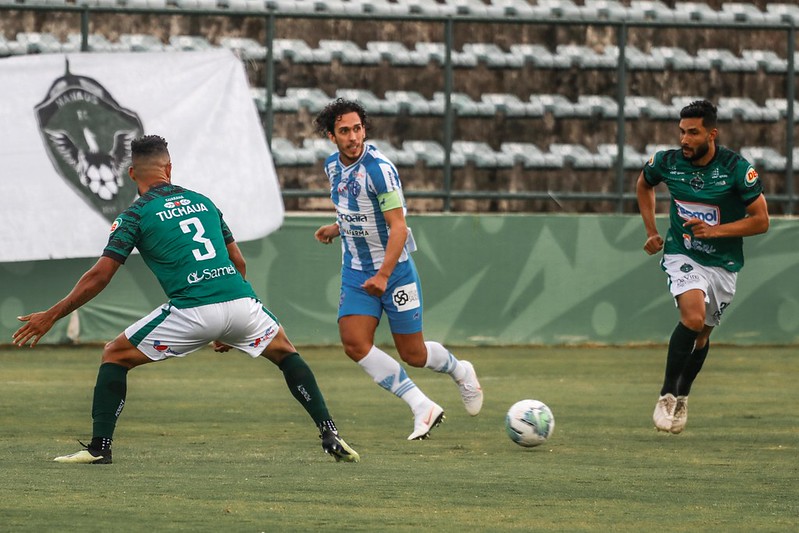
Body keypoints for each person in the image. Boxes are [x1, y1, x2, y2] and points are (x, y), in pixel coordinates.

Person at [12, 135, 359, 463]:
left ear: (132, 173)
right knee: (286, 354)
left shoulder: (134, 215)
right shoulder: (204, 202)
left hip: (193, 310)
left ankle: (100, 447)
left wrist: (52, 315)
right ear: (170, 168)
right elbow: (238, 261)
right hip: (240, 301)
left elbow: (101, 276)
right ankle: (329, 431)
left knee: (114, 355)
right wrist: (229, 325)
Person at [312, 98, 483, 441]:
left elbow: (399, 227)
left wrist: (384, 276)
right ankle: (422, 406)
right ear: (331, 136)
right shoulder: (333, 167)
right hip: (357, 271)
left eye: (357, 128)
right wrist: (338, 226)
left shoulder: (380, 169)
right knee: (354, 343)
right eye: (344, 131)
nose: (353, 137)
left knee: (414, 354)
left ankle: (461, 370)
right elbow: (357, 210)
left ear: (365, 129)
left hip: (395, 271)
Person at [636, 100, 769, 434]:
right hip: (684, 253)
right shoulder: (667, 162)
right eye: (681, 131)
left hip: (723, 263)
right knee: (693, 318)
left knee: (703, 334)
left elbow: (761, 221)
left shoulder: (737, 169)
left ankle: (683, 395)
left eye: (692, 133)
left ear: (712, 133)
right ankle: (666, 393)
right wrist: (652, 231)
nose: (684, 139)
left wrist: (717, 231)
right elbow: (643, 183)